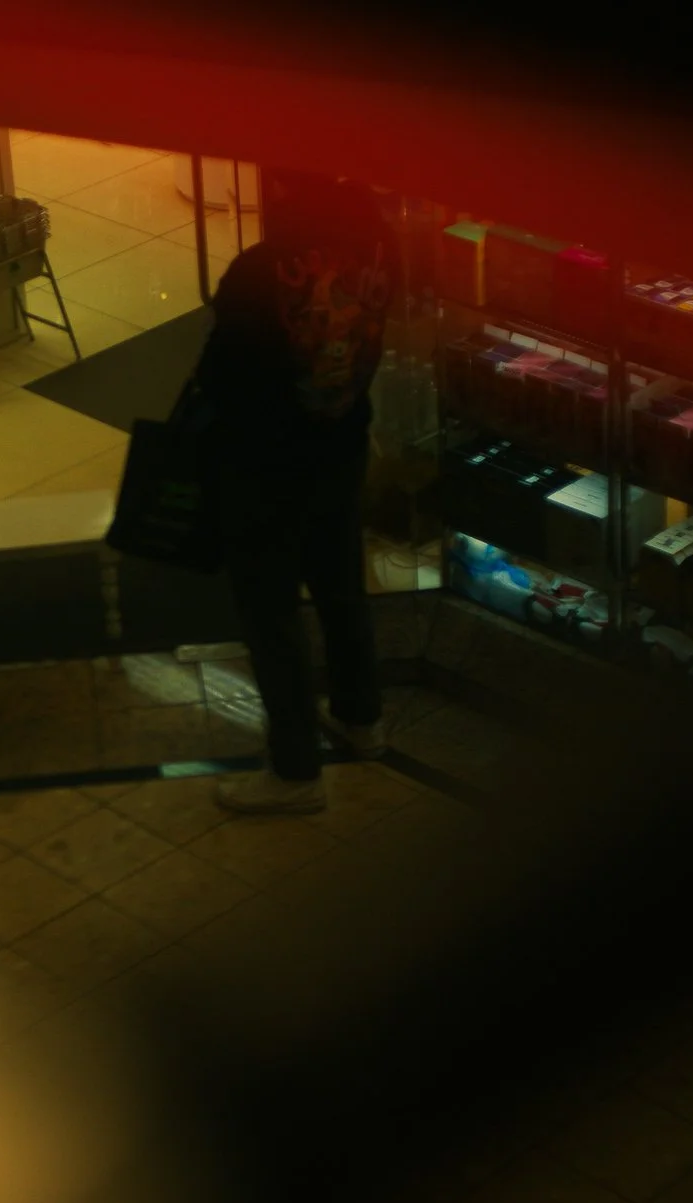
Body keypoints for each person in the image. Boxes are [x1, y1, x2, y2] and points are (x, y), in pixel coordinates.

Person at [196, 171, 399, 816]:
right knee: (342, 590)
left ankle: (294, 771)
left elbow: (219, 371)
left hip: (264, 465)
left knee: (271, 614)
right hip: (340, 448)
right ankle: (362, 718)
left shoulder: (259, 271)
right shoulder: (380, 253)